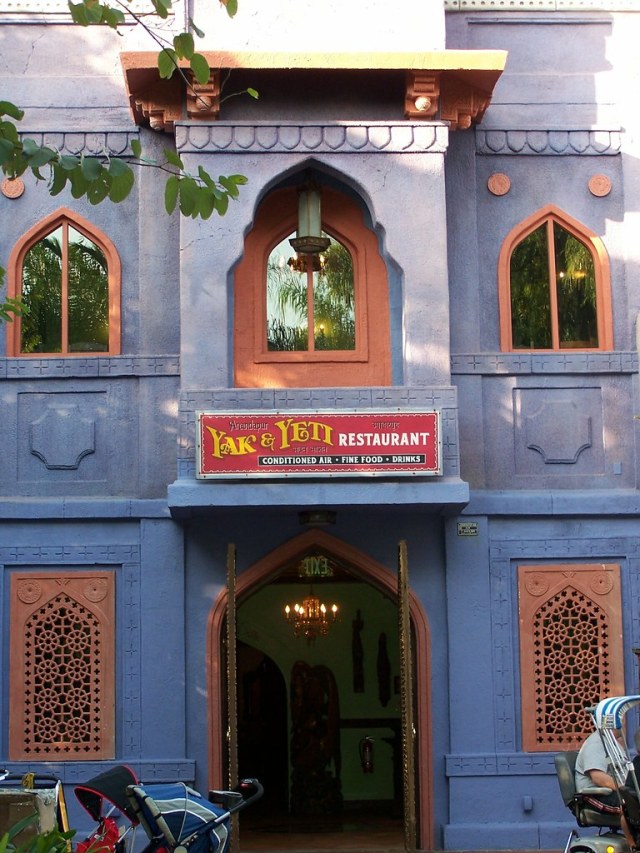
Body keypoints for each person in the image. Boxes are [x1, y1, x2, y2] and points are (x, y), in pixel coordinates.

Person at [575, 729, 637, 849]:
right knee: (633, 807)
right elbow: (598, 777)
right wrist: (626, 790)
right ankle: (634, 846)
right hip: (598, 795)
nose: (622, 724)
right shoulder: (595, 744)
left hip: (615, 792)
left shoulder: (613, 743)